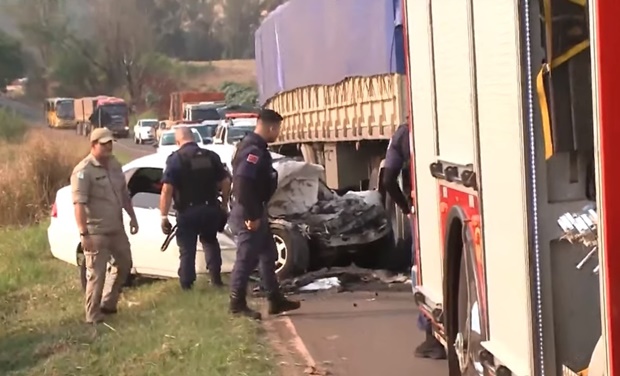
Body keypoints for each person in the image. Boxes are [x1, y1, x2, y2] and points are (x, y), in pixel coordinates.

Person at [228, 109, 300, 320]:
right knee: (246, 258)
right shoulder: (253, 151)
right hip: (248, 210)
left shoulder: (255, 147)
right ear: (271, 127)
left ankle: (275, 300)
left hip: (255, 208)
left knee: (268, 255)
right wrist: (251, 215)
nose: (278, 133)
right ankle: (236, 304)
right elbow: (242, 183)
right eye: (277, 129)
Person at [381, 122, 446, 360]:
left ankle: (433, 337)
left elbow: (388, 179)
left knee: (424, 270)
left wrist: (407, 208)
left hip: (423, 208)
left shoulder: (403, 133)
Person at [70, 128, 138, 324]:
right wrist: (84, 234)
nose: (108, 147)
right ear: (93, 145)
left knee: (125, 264)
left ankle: (109, 303)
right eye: (104, 144)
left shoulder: (115, 165)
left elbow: (124, 194)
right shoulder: (83, 171)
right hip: (96, 231)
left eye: (110, 143)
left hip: (116, 227)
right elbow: (79, 205)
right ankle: (92, 315)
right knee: (96, 275)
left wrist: (132, 216)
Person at [159, 127, 231, 290]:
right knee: (210, 241)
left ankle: (186, 284)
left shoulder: (176, 159)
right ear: (193, 138)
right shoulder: (211, 156)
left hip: (187, 211)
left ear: (178, 141)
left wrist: (163, 216)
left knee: (187, 249)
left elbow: (166, 190)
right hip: (210, 208)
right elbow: (226, 181)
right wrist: (224, 203)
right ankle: (216, 279)